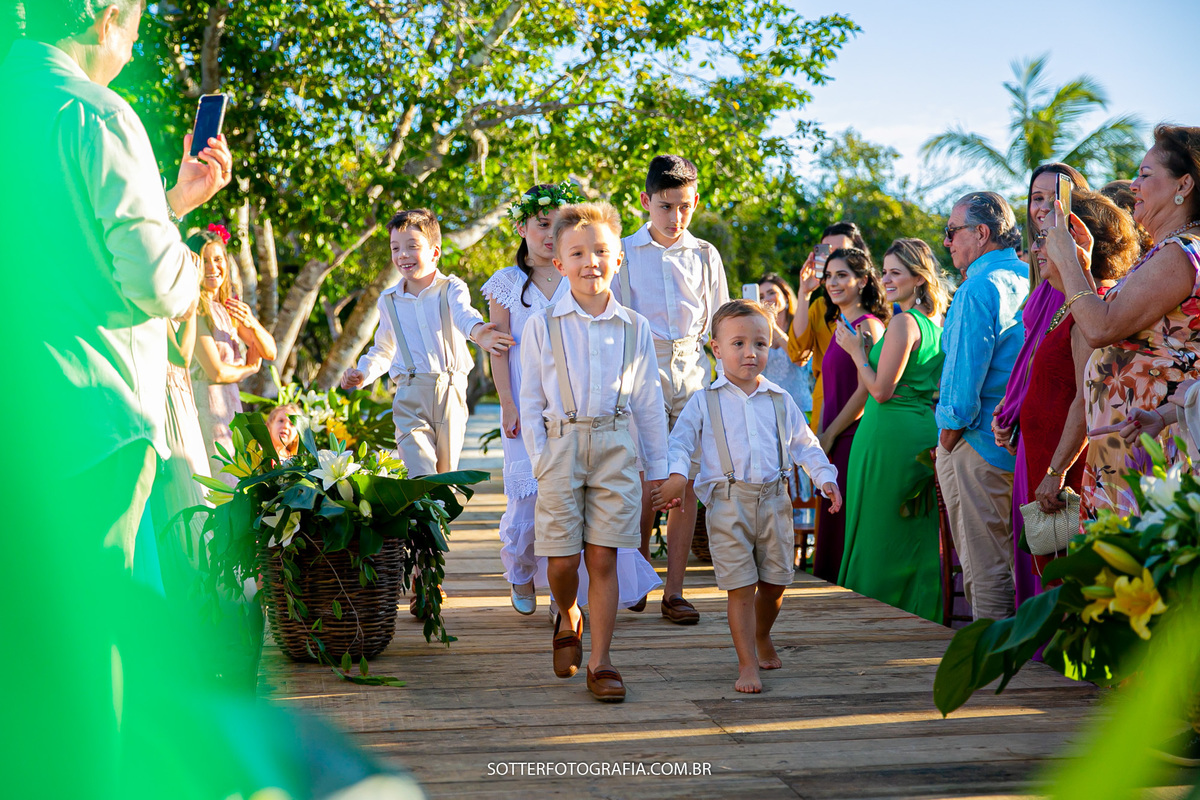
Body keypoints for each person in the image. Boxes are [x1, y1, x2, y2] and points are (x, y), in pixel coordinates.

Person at [2, 2, 232, 796]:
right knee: (95, 646)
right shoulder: (93, 113)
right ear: (105, 15)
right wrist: (190, 262)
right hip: (87, 417)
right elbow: (152, 279)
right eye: (135, 22)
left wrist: (171, 202)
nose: (134, 43)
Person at [482, 184, 660, 618]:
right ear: (522, 227)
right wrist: (507, 403)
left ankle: (570, 605)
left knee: (580, 513)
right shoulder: (508, 283)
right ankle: (523, 573)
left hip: (581, 407)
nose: (548, 234)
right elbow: (499, 350)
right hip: (529, 406)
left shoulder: (578, 276)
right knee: (528, 499)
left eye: (555, 226)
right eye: (542, 225)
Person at [519, 202, 670, 702]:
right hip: (561, 446)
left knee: (603, 555)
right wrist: (541, 460)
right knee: (562, 561)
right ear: (558, 263)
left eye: (602, 252)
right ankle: (568, 613)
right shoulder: (545, 324)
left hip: (616, 446)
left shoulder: (634, 326)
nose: (591, 263)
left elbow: (649, 401)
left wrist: (659, 470)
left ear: (619, 258)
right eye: (578, 253)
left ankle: (602, 661)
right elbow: (532, 398)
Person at [652, 300, 840, 693]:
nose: (750, 352)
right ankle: (747, 663)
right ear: (716, 349)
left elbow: (805, 445)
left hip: (774, 502)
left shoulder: (780, 400)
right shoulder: (704, 402)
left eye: (760, 343)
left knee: (775, 583)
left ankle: (762, 633)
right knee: (740, 585)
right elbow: (680, 444)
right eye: (738, 343)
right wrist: (674, 476)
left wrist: (825, 478)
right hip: (727, 503)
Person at [1055, 125, 1200, 518]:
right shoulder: (1166, 252)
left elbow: (1101, 328)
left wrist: (1065, 259)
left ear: (1182, 184)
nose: (1134, 185)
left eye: (1145, 174)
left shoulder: (1180, 252)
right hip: (1131, 441)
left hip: (1152, 449)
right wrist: (1083, 268)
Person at [612, 154, 730, 625]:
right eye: (665, 206)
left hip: (693, 369)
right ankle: (638, 578)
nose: (675, 217)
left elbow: (721, 319)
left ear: (695, 201)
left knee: (687, 481)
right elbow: (614, 319)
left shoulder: (705, 254)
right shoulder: (621, 251)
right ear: (646, 201)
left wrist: (721, 384)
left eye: (684, 206)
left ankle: (675, 590)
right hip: (641, 368)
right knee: (646, 480)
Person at [1017, 191, 1138, 597]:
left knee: (1070, 588)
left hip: (1070, 473)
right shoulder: (1071, 305)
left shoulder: (1095, 306)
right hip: (1049, 461)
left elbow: (1088, 400)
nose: (1038, 247)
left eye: (1046, 238)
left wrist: (1056, 472)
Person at [341, 209, 512, 476]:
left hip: (451, 391)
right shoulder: (388, 300)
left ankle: (439, 517)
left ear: (435, 252)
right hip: (409, 393)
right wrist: (363, 372)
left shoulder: (452, 288)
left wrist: (479, 333)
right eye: (395, 248)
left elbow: (464, 315)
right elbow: (384, 349)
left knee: (444, 478)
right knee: (420, 473)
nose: (403, 255)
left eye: (412, 246)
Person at [991, 164, 1089, 607]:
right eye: (1035, 198)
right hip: (1029, 436)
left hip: (1062, 441)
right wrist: (1010, 410)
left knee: (1057, 546)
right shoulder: (1040, 264)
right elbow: (1029, 352)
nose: (1043, 206)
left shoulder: (1078, 271)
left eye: (1054, 197)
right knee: (1032, 543)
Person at [837, 239, 948, 621]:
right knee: (909, 530)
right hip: (918, 431)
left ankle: (875, 610)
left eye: (895, 272)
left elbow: (881, 391)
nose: (885, 279)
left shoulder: (903, 322)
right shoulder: (937, 324)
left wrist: (855, 351)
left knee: (879, 527)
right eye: (884, 271)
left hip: (889, 435)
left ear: (919, 278)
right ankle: (917, 609)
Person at [935, 191, 1029, 621]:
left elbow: (961, 384)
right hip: (1020, 446)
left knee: (984, 567)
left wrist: (949, 439)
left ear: (982, 233)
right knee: (1019, 565)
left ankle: (992, 668)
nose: (947, 242)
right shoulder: (1032, 278)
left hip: (977, 445)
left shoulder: (977, 287)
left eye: (952, 232)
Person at [810, 248, 888, 583]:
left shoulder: (868, 326)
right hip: (832, 437)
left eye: (842, 275)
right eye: (828, 276)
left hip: (852, 439)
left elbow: (864, 392)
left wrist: (830, 435)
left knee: (844, 520)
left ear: (864, 280)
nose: (832, 283)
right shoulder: (840, 325)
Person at [189, 225, 277, 485]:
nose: (212, 267)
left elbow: (269, 351)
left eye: (217, 259)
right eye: (203, 260)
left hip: (228, 407)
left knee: (233, 481)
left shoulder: (227, 309)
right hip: (205, 403)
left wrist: (252, 323)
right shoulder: (195, 309)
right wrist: (248, 370)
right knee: (219, 481)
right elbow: (215, 371)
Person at [790, 221, 872, 429]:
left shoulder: (876, 313)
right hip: (825, 399)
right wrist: (804, 293)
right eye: (826, 252)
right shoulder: (818, 306)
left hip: (866, 402)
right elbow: (798, 353)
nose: (832, 258)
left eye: (841, 251)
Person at [758, 273, 815, 414]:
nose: (766, 299)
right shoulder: (757, 333)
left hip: (800, 409)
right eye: (760, 296)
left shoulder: (800, 327)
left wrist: (774, 327)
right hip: (766, 411)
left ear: (786, 297)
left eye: (771, 292)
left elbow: (799, 359)